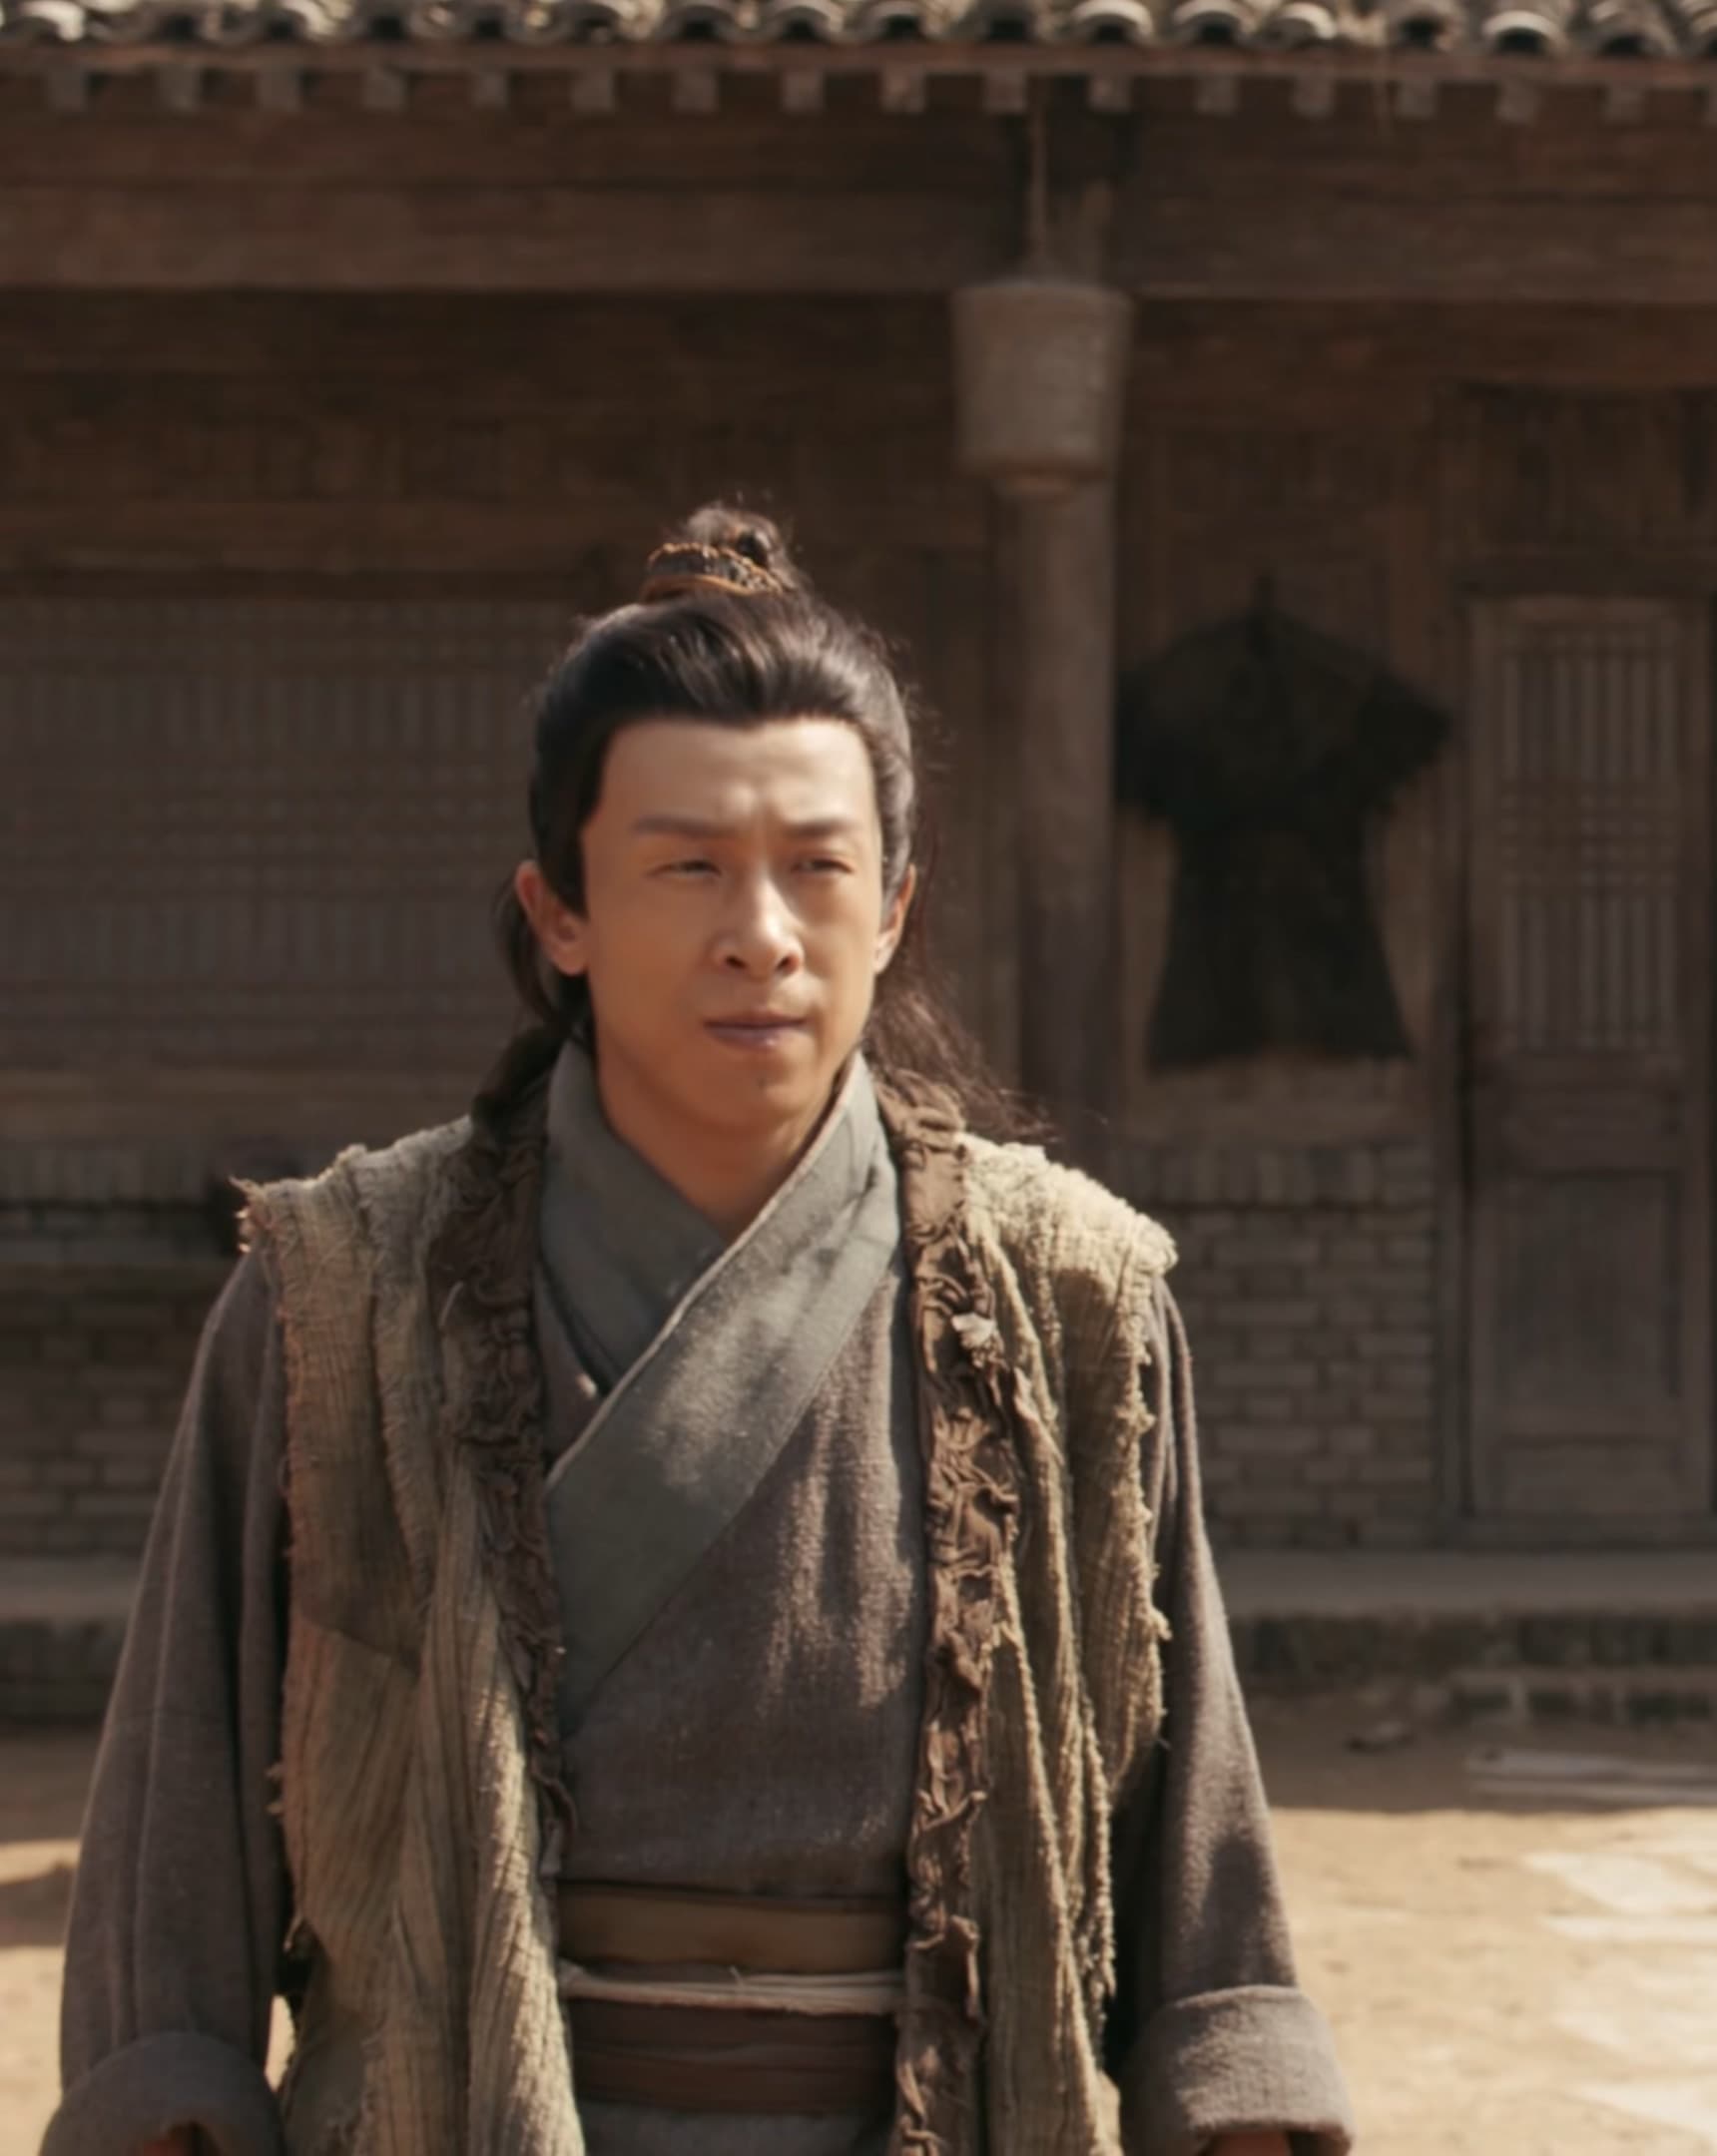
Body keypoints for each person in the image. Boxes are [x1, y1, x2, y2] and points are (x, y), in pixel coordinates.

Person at [54, 510, 1355, 2156]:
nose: (763, 933)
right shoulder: (340, 1290)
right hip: (461, 2110)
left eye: (818, 867)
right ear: (561, 913)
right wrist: (169, 2097)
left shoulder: (1068, 1293)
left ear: (894, 907)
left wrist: (1234, 2087)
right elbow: (186, 1781)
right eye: (688, 868)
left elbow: (1186, 1801)